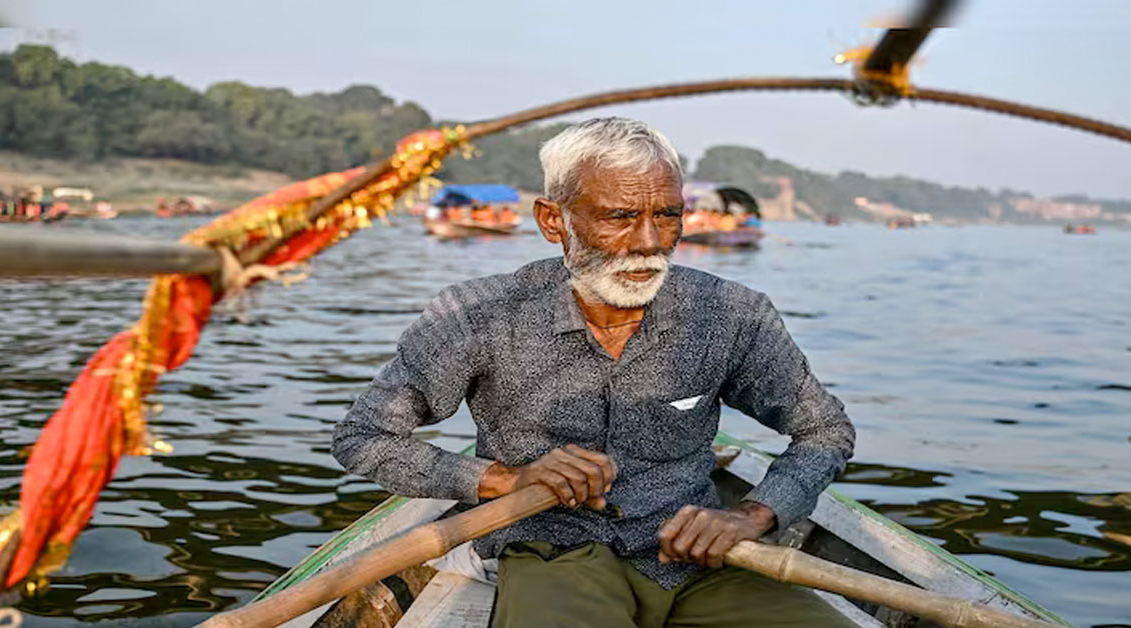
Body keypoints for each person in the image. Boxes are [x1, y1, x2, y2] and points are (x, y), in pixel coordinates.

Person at [333, 117, 855, 627]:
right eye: (619, 217)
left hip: (696, 560)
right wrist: (504, 479)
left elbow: (824, 432)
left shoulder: (732, 314)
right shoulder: (478, 315)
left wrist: (752, 514)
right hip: (552, 552)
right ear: (552, 220)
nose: (649, 242)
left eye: (668, 216)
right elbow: (363, 439)